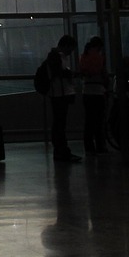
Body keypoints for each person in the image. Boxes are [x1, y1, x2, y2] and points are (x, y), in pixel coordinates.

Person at [46, 34, 81, 163]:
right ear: (66, 46)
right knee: (60, 124)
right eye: (70, 49)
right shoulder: (58, 57)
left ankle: (60, 151)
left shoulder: (55, 56)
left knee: (59, 123)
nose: (71, 52)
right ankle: (62, 150)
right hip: (60, 94)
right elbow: (59, 73)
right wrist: (70, 74)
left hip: (58, 94)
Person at [79, 36, 108, 155]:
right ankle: (101, 146)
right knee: (99, 120)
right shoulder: (100, 58)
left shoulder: (84, 56)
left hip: (87, 90)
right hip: (98, 90)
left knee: (89, 121)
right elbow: (103, 73)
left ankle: (89, 147)